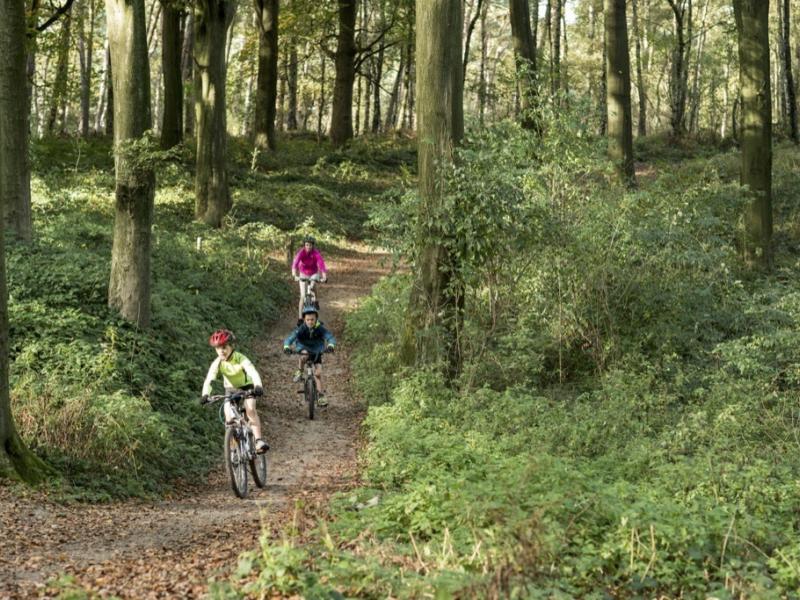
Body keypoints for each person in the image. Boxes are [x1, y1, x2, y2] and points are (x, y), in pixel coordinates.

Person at [202, 329, 268, 453]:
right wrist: (205, 394)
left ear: (231, 346)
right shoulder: (217, 363)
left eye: (224, 347)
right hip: (231, 389)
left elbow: (252, 372)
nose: (221, 351)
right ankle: (233, 446)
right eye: (218, 348)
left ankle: (258, 440)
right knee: (228, 416)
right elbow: (209, 379)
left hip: (246, 387)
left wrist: (258, 386)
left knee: (250, 409)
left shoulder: (240, 358)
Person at [283, 305, 336, 407]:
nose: (310, 322)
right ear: (304, 320)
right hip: (304, 347)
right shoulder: (301, 328)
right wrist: (286, 346)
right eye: (308, 320)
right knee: (304, 355)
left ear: (316, 319)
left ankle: (321, 395)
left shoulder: (320, 328)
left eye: (312, 319)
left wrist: (331, 345)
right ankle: (300, 370)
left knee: (318, 374)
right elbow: (290, 338)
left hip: (317, 350)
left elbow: (330, 337)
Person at [291, 235, 328, 321]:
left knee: (312, 286)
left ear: (313, 246)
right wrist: (294, 275)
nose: (308, 247)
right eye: (307, 245)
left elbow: (321, 264)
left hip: (314, 273)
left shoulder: (316, 253)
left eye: (310, 245)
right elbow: (295, 263)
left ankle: (316, 300)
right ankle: (300, 318)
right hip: (303, 274)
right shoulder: (301, 253)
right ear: (304, 245)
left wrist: (324, 276)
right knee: (303, 296)